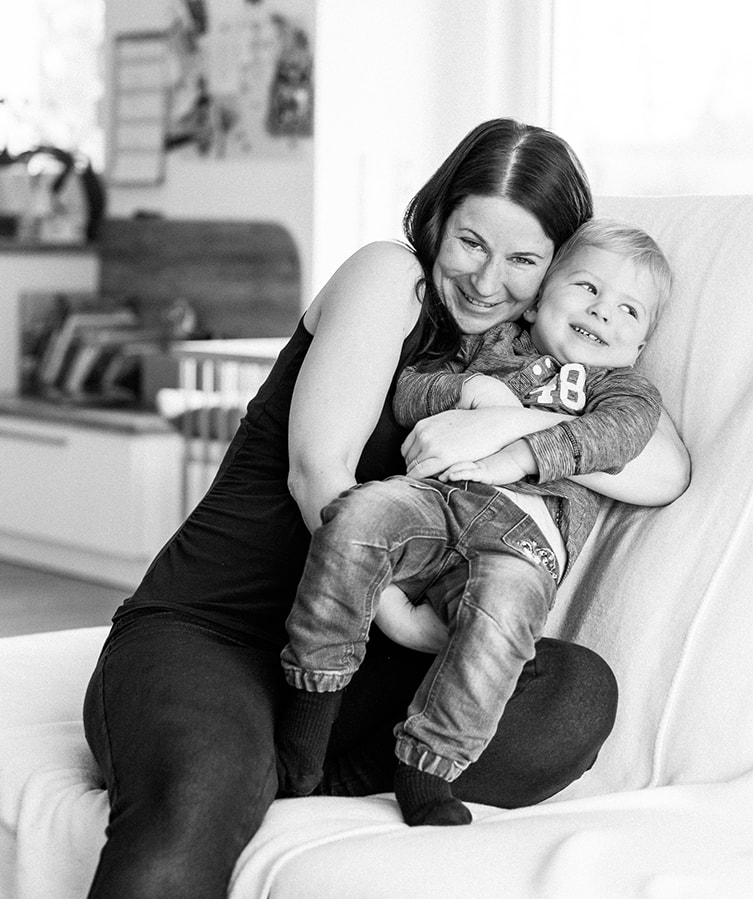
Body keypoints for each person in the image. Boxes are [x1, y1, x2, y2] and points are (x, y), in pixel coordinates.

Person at [79, 118, 690, 899]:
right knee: (202, 795)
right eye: (471, 242)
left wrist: (507, 426)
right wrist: (409, 624)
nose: (487, 280)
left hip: (356, 679)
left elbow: (663, 467)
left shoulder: (543, 363)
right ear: (437, 219)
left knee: (572, 694)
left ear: (554, 271)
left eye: (523, 260)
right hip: (216, 632)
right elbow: (318, 474)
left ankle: (306, 770)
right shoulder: (387, 278)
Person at [277, 218, 673, 828]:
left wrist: (517, 448)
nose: (602, 313)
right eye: (588, 289)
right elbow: (409, 391)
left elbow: (618, 438)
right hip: (436, 504)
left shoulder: (625, 393)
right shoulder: (490, 346)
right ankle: (308, 715)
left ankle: (426, 768)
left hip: (524, 542)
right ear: (538, 299)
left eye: (629, 311)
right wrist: (472, 391)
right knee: (356, 517)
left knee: (500, 625)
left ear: (639, 347)